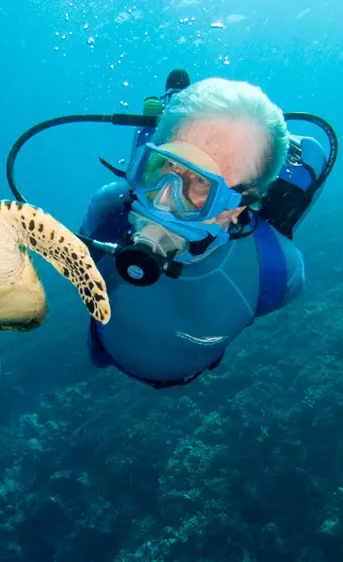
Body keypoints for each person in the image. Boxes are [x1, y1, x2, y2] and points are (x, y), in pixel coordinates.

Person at [78, 76, 309, 389]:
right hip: (109, 347)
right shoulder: (108, 208)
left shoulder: (278, 268)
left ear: (239, 206)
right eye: (162, 167)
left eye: (200, 183)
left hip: (185, 373)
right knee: (97, 355)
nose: (162, 200)